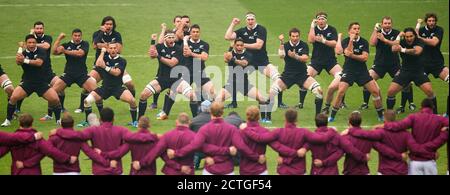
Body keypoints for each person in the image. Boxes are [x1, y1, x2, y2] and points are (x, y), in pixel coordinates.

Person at [167, 102, 265, 175]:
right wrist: (256, 157)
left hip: (210, 169)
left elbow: (195, 145)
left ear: (210, 112)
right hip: (227, 170)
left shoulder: (204, 129)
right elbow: (241, 147)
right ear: (222, 112)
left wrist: (176, 153)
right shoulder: (231, 129)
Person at [343, 110, 447, 175]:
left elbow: (380, 147)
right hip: (401, 171)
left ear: (384, 118)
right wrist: (432, 154)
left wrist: (351, 131)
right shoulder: (406, 134)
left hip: (384, 171)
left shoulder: (379, 133)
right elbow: (415, 149)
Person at [224, 12, 284, 122]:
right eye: (248, 19)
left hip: (261, 61)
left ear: (255, 20)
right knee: (235, 77)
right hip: (248, 61)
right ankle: (233, 102)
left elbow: (258, 45)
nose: (250, 21)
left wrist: (240, 44)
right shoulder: (242, 31)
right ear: (246, 20)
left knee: (277, 78)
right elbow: (227, 36)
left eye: (252, 19)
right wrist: (233, 23)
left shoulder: (261, 29)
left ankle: (280, 103)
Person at [75, 16, 136, 114]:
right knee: (87, 84)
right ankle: (81, 106)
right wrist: (105, 39)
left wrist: (103, 45)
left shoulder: (117, 35)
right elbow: (95, 46)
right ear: (103, 24)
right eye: (106, 24)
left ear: (113, 25)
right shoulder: (97, 33)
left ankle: (132, 104)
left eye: (110, 24)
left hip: (115, 65)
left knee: (130, 84)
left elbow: (119, 49)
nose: (108, 26)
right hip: (100, 66)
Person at [157, 24, 215, 119]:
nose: (195, 34)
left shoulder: (204, 44)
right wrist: (184, 39)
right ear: (190, 33)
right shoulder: (184, 43)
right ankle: (165, 112)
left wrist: (191, 53)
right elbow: (183, 50)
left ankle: (211, 114)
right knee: (172, 91)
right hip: (186, 72)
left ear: (200, 33)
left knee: (212, 92)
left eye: (197, 32)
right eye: (193, 32)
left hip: (200, 72)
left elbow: (204, 57)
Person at [3, 35, 62, 127]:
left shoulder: (41, 51)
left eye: (33, 42)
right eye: (29, 43)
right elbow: (18, 62)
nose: (32, 44)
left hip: (41, 82)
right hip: (27, 82)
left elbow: (39, 63)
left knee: (55, 99)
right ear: (26, 44)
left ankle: (59, 120)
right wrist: (20, 54)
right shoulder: (23, 53)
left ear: (36, 43)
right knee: (13, 97)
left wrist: (25, 60)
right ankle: (8, 120)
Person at [330, 22, 384, 122]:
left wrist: (352, 56)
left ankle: (381, 115)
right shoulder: (346, 41)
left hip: (362, 71)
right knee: (341, 92)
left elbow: (365, 58)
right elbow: (347, 52)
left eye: (358, 29)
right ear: (349, 31)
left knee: (375, 91)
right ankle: (332, 116)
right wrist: (351, 40)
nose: (356, 31)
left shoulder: (363, 42)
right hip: (348, 70)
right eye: (354, 29)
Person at [52, 107, 131, 175]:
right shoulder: (121, 130)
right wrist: (116, 153)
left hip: (98, 171)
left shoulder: (93, 130)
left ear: (100, 119)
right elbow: (132, 140)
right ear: (113, 119)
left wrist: (59, 131)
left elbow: (77, 136)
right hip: (116, 170)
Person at [137, 30, 196, 121]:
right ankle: (139, 121)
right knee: (143, 95)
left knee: (192, 96)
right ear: (165, 38)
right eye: (169, 37)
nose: (172, 39)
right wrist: (153, 41)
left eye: (173, 37)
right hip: (162, 79)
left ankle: (196, 120)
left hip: (177, 81)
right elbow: (152, 54)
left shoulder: (178, 49)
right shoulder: (160, 47)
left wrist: (159, 56)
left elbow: (172, 63)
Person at [361, 17, 415, 113]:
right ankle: (365, 103)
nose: (387, 25)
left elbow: (396, 45)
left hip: (394, 64)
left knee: (406, 83)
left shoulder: (396, 33)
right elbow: (372, 43)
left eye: (389, 23)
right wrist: (375, 30)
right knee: (367, 79)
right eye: (385, 23)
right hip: (379, 64)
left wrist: (384, 39)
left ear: (391, 24)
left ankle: (407, 104)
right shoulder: (378, 33)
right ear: (382, 24)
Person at [383, 98, 449, 175]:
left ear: (421, 107)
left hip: (415, 163)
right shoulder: (440, 119)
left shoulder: (414, 117)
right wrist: (446, 130)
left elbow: (399, 126)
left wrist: (385, 125)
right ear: (433, 108)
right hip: (430, 162)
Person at [268, 28, 323, 117]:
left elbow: (305, 58)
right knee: (271, 92)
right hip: (288, 75)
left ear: (299, 36)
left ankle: (318, 117)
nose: (295, 38)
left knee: (319, 91)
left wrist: (295, 56)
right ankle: (267, 118)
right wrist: (281, 42)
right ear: (290, 37)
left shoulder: (303, 45)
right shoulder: (285, 45)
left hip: (302, 75)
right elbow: (281, 55)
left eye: (297, 36)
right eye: (293, 36)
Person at [80, 42, 137, 127]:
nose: (113, 50)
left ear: (117, 49)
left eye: (114, 48)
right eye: (111, 48)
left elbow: (117, 73)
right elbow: (98, 64)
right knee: (86, 101)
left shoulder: (122, 61)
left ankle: (134, 122)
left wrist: (105, 67)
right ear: (108, 49)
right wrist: (102, 52)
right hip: (105, 88)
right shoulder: (105, 58)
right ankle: (87, 121)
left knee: (132, 101)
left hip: (117, 88)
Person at [0, 113, 77, 175]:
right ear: (32, 123)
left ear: (20, 123)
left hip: (17, 172)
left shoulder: (12, 140)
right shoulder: (38, 140)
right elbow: (51, 151)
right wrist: (68, 158)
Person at [50, 29, 97, 124]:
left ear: (81, 36)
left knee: (96, 92)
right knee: (53, 92)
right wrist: (59, 39)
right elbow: (54, 52)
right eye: (75, 35)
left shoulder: (85, 44)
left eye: (79, 35)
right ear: (72, 36)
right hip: (68, 74)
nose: (77, 37)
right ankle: (55, 117)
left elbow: (80, 53)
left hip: (81, 74)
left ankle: (97, 118)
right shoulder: (67, 44)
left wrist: (65, 51)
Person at [215, 38, 268, 122]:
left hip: (244, 84)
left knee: (261, 98)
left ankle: (265, 119)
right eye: (237, 45)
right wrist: (229, 53)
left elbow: (244, 63)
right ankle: (218, 120)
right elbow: (225, 59)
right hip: (231, 83)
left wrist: (232, 59)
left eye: (241, 45)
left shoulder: (248, 54)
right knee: (218, 99)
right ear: (234, 45)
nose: (239, 47)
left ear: (244, 46)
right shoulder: (231, 53)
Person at [387, 28, 437, 114]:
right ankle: (389, 114)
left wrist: (402, 50)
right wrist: (398, 36)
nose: (409, 38)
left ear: (414, 36)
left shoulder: (419, 41)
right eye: (406, 36)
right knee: (391, 91)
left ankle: (435, 114)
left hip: (419, 71)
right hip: (405, 71)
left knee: (430, 91)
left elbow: (416, 51)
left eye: (411, 36)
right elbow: (394, 49)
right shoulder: (402, 42)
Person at [48, 113, 114, 175]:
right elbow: (90, 153)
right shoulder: (78, 138)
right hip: (73, 172)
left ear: (61, 124)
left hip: (57, 172)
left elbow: (47, 150)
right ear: (73, 124)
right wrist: (107, 163)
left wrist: (64, 158)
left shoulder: (54, 137)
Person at [133, 113, 197, 175]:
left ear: (176, 122)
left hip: (171, 172)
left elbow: (156, 152)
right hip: (188, 171)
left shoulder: (168, 135)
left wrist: (141, 163)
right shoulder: (194, 136)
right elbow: (203, 150)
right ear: (189, 122)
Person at [307, 12, 345, 113]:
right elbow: (310, 40)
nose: (321, 21)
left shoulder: (332, 29)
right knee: (305, 75)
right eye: (319, 19)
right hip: (316, 60)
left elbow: (334, 43)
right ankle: (301, 103)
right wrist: (311, 26)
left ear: (326, 20)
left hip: (330, 60)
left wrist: (324, 41)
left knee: (342, 76)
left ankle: (341, 102)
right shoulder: (314, 29)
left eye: (323, 19)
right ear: (316, 20)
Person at [416, 13, 449, 116]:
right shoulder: (421, 30)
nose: (431, 23)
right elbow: (414, 36)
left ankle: (448, 113)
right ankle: (406, 105)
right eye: (429, 21)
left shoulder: (439, 30)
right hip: (422, 65)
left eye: (433, 21)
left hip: (437, 64)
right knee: (409, 84)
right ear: (426, 21)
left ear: (435, 21)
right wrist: (417, 25)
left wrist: (420, 38)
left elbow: (434, 43)